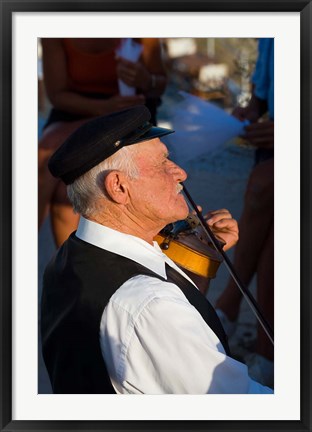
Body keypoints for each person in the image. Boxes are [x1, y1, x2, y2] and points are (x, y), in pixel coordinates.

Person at [41, 105, 273, 394]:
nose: (181, 174)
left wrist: (201, 261)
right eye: (163, 163)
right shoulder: (151, 306)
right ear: (119, 187)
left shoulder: (70, 256)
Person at [38, 38, 167, 247]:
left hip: (130, 112)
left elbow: (160, 84)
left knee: (63, 187)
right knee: (47, 155)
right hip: (77, 109)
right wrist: (104, 107)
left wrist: (145, 80)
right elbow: (57, 95)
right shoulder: (56, 30)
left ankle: (62, 271)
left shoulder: (142, 30)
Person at [215, 38, 274, 387]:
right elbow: (264, 88)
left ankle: (229, 303)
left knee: (262, 188)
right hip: (273, 138)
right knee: (275, 227)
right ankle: (267, 348)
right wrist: (252, 108)